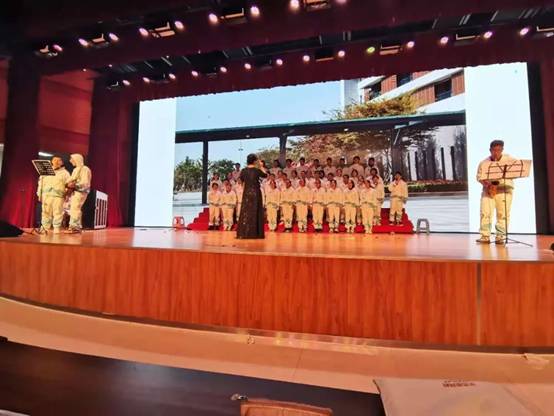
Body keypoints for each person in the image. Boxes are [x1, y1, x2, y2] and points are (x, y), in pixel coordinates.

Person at [476, 139, 515, 244]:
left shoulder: (509, 160)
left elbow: (516, 173)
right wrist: (488, 185)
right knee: (485, 213)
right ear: (490, 150)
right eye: (494, 150)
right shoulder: (484, 163)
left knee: (503, 214)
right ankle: (485, 236)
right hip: (489, 190)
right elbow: (479, 177)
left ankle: (500, 236)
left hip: (504, 190)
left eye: (499, 150)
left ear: (502, 150)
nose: (496, 152)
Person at [36, 155, 70, 234]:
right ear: (52, 161)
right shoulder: (45, 172)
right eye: (55, 160)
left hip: (58, 196)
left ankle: (56, 227)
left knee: (58, 212)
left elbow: (68, 185)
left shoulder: (65, 173)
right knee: (45, 212)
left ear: (62, 162)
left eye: (59, 160)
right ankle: (45, 227)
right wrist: (39, 194)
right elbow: (40, 183)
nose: (56, 162)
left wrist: (67, 195)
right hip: (46, 195)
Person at [237, 153, 267, 239]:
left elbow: (241, 181)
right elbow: (265, 175)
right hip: (256, 193)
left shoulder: (243, 171)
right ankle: (255, 233)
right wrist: (261, 166)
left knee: (246, 212)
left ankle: (244, 232)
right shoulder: (257, 170)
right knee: (255, 211)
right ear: (254, 161)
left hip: (247, 193)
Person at [66, 153, 92, 233]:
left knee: (75, 208)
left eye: (72, 159)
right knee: (73, 208)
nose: (70, 161)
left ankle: (75, 227)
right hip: (75, 191)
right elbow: (70, 179)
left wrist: (74, 185)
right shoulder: (75, 170)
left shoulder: (85, 169)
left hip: (81, 191)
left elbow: (85, 182)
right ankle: (75, 226)